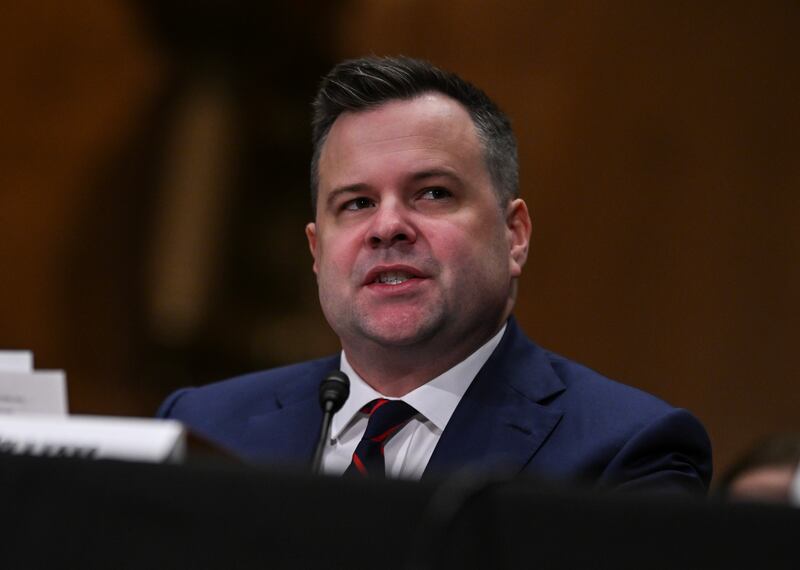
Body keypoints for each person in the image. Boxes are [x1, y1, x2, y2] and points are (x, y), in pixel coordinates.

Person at [158, 56, 712, 492]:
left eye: (432, 193)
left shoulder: (627, 453)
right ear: (316, 249)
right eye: (355, 203)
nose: (388, 226)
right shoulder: (202, 427)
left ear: (514, 235)